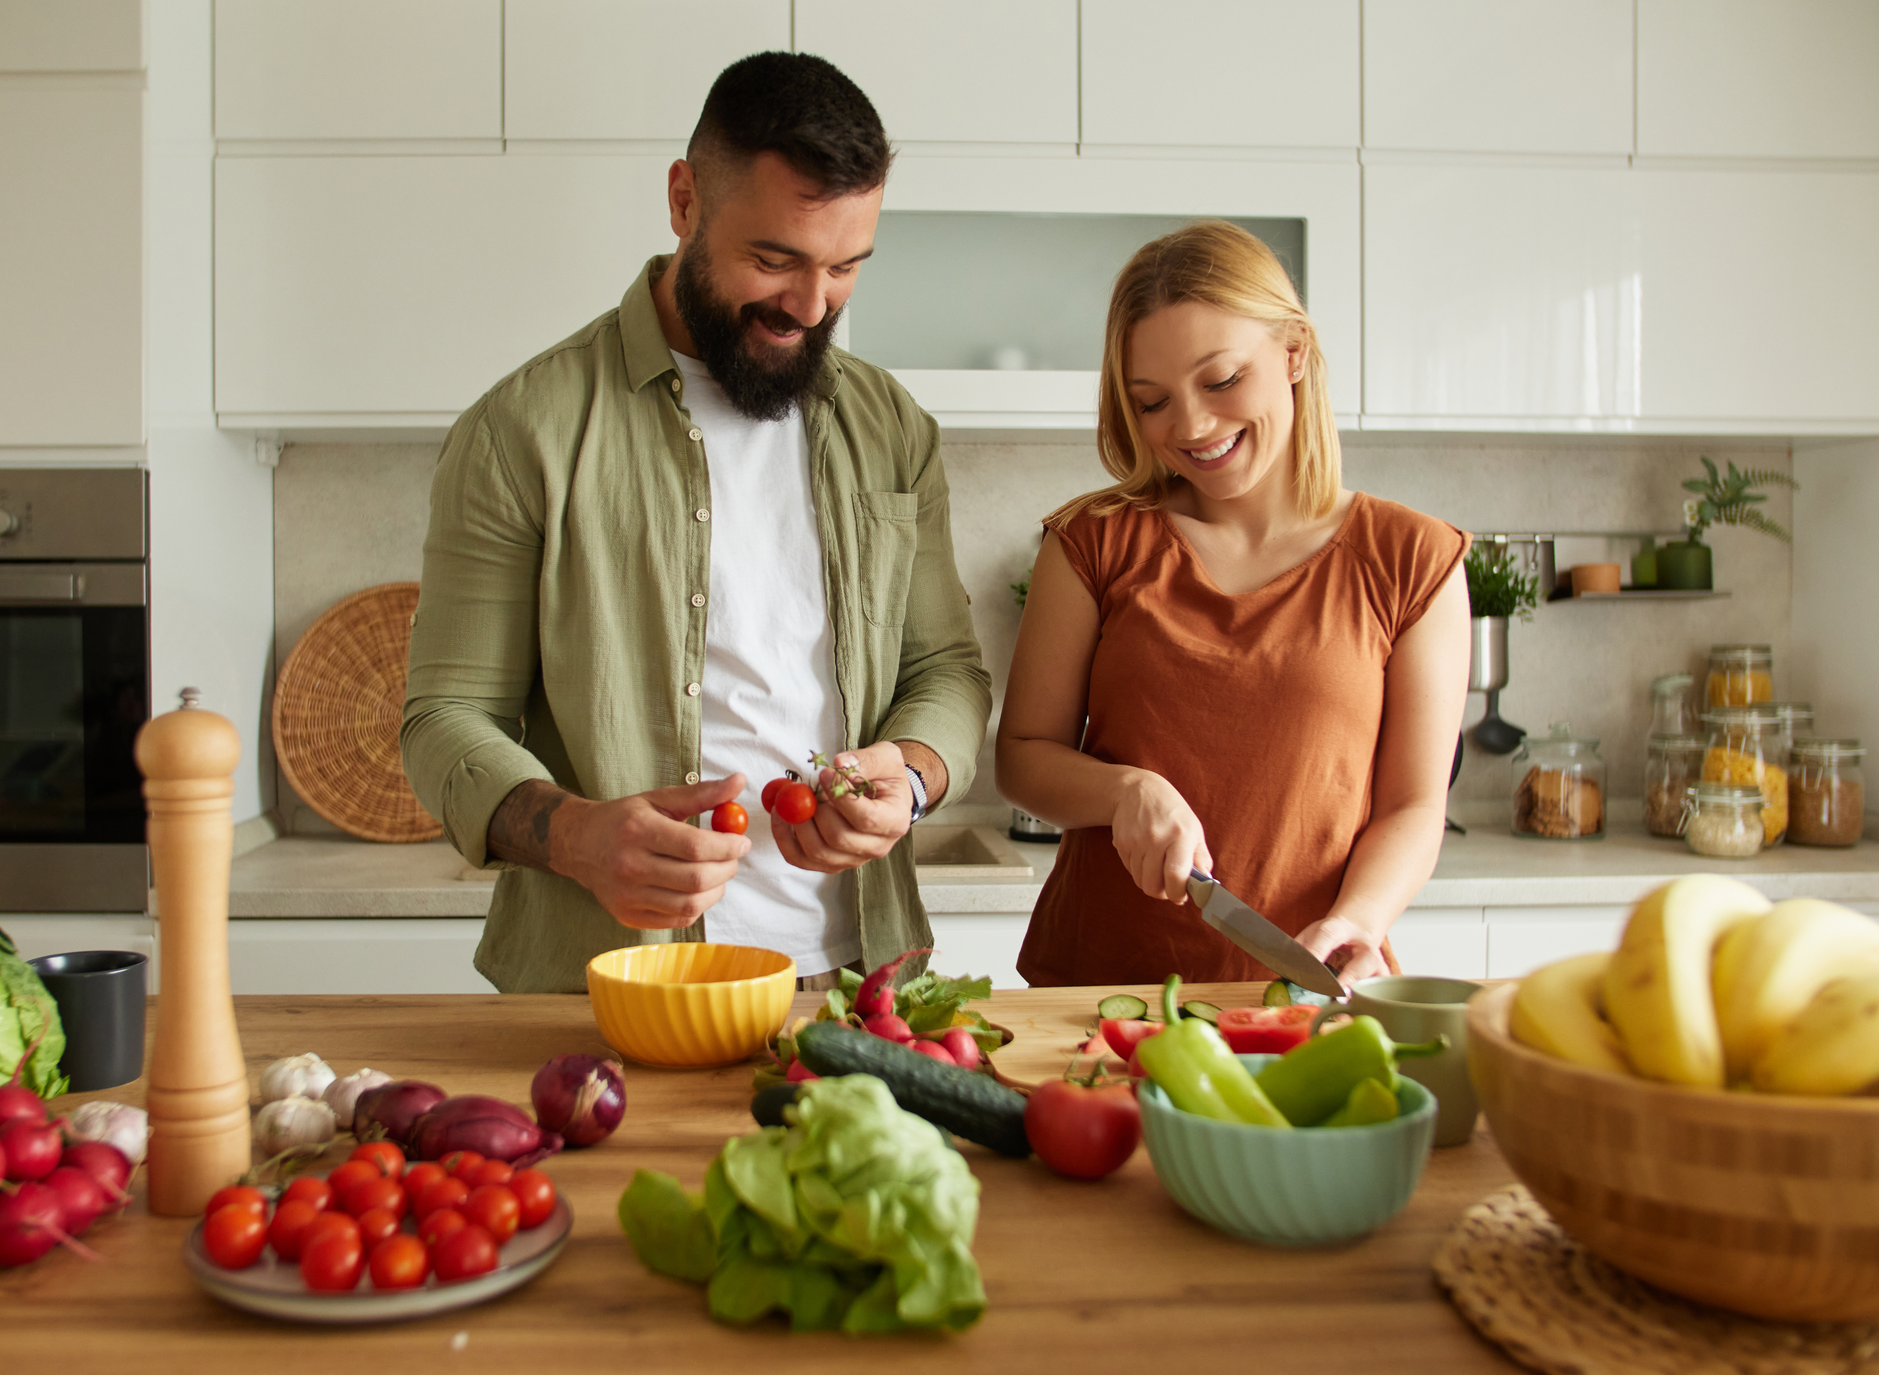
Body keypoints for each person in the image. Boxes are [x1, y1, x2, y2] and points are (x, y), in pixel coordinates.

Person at [400, 52, 991, 995]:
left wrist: (912, 775)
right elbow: (442, 716)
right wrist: (578, 836)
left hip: (861, 978)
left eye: (845, 267)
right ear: (684, 202)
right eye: (774, 259)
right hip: (609, 986)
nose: (811, 305)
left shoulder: (892, 429)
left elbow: (946, 670)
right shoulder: (522, 432)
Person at [997, 221, 1469, 987]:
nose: (1190, 426)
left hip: (1301, 992)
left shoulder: (1411, 561)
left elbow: (1413, 806)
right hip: (1098, 993)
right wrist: (1125, 790)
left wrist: (1362, 918)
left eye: (1220, 381)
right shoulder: (1092, 543)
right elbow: (1021, 757)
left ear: (1294, 353)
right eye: (1152, 402)